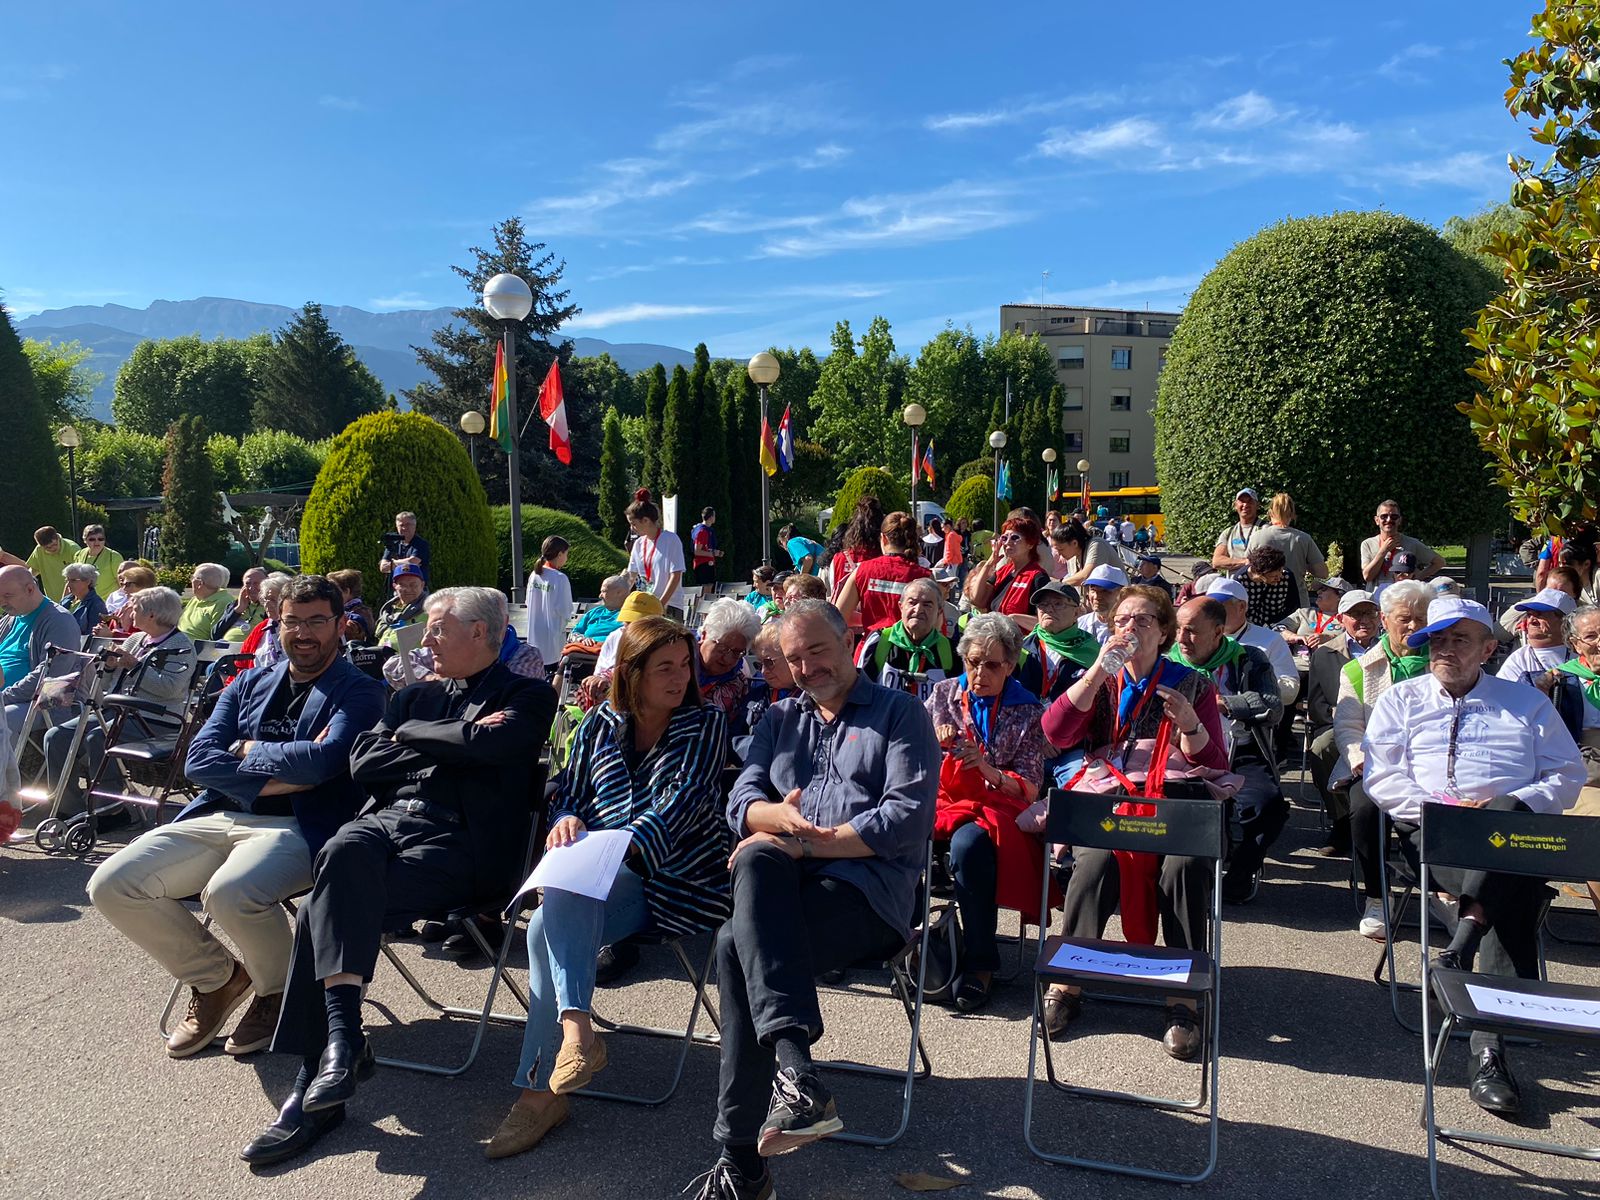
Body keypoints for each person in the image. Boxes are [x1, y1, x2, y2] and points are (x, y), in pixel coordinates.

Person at [245, 586, 557, 1167]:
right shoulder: (414, 695)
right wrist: (452, 744)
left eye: (438, 628)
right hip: (385, 830)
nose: (425, 639)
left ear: (480, 634)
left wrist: (410, 739)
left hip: (458, 848)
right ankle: (337, 1050)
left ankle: (320, 1080)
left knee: (320, 906)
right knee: (346, 847)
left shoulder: (528, 694)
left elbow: (496, 741)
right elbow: (364, 764)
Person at [684, 600, 936, 1200]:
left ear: (850, 639)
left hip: (868, 898)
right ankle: (796, 1076)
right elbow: (741, 793)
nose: (805, 667)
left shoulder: (900, 714)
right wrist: (769, 817)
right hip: (782, 890)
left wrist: (809, 847)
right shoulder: (780, 718)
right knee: (753, 871)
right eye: (792, 659)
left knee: (734, 943)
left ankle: (742, 1161)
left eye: (817, 651)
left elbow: (905, 818)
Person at [87, 576, 387, 1062]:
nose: (304, 632)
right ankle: (219, 980)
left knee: (231, 893)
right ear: (277, 623)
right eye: (293, 621)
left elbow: (324, 763)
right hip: (220, 814)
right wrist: (280, 768)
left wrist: (246, 751)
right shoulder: (250, 680)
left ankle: (277, 993)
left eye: (316, 621)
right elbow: (198, 761)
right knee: (112, 884)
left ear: (339, 624)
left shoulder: (362, 691)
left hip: (302, 826)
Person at [486, 616, 730, 1159]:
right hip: (596, 882)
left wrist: (610, 846)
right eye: (664, 667)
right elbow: (568, 793)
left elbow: (683, 802)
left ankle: (556, 1064)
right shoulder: (597, 725)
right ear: (632, 673)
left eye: (685, 665)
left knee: (559, 907)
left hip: (675, 879)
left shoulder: (704, 723)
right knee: (549, 920)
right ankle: (556, 1065)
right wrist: (567, 821)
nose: (680, 677)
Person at [1364, 595, 1583, 1120]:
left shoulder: (1527, 703)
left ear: (1488, 648)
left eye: (1458, 640)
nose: (1444, 649)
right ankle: (1489, 1049)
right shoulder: (1402, 699)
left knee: (1509, 818)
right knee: (1518, 889)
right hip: (1438, 836)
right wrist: (1440, 807)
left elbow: (1567, 775)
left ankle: (1464, 951)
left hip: (1513, 836)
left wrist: (1516, 805)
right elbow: (1381, 776)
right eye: (1436, 640)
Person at [1038, 585, 1234, 1054]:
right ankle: (1069, 982)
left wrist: (1190, 722)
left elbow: (1217, 761)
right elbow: (1052, 735)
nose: (1130, 628)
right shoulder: (1100, 679)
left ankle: (1181, 997)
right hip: (1111, 801)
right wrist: (1092, 675)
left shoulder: (1194, 684)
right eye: (1122, 620)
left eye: (1143, 620)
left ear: (1164, 632)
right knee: (1093, 862)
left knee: (1183, 867)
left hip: (1169, 802)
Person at [925, 613, 1047, 1012]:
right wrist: (933, 740)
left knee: (969, 844)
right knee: (895, 826)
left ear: (1010, 666)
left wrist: (987, 769)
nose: (979, 672)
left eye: (991, 664)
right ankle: (905, 949)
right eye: (972, 662)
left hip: (996, 805)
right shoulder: (943, 695)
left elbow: (1030, 785)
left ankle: (981, 962)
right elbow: (909, 756)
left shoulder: (1028, 710)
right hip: (945, 798)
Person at [1170, 597, 1289, 901]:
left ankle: (1239, 873)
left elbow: (1273, 707)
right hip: (1182, 754)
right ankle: (1185, 877)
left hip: (1239, 749)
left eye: (1192, 631)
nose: (1182, 639)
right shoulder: (1168, 662)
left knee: (1269, 805)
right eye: (1179, 629)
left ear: (1219, 632)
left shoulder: (1248, 658)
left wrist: (1224, 704)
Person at [44, 586, 196, 819]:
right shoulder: (136, 639)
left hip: (154, 719)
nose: (130, 613)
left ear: (152, 614)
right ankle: (68, 806)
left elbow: (170, 688)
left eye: (135, 609)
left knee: (99, 738)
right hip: (116, 711)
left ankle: (110, 811)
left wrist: (134, 666)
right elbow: (107, 684)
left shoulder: (181, 647)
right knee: (56, 736)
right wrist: (110, 666)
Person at [1338, 580, 1433, 938]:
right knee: (1364, 807)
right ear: (1384, 619)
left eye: (1421, 619)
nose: (1413, 627)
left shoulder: (1444, 662)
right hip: (1377, 765)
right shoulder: (1360, 669)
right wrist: (1358, 758)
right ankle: (1376, 895)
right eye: (1404, 618)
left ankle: (1449, 888)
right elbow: (1347, 726)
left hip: (1432, 768)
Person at [1304, 588, 1382, 854]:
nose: (1364, 620)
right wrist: (1341, 721)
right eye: (1355, 614)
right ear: (1340, 619)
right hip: (1341, 726)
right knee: (1322, 747)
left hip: (1386, 727)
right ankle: (1342, 821)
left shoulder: (1394, 650)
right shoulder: (1325, 653)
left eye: (1369, 613)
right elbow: (1316, 704)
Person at [0, 564, 84, 742]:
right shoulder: (11, 618)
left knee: (3, 718)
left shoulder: (59, 621)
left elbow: (48, 677)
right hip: (9, 698)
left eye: (7, 595)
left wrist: (4, 697)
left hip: (38, 704)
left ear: (30, 589)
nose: (1, 602)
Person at [1203, 576, 1300, 707]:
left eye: (1220, 607)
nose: (1213, 613)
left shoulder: (1270, 639)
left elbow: (1290, 691)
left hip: (1248, 720)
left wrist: (1257, 683)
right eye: (1209, 608)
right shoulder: (1199, 637)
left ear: (1242, 607)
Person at [854, 578, 955, 700]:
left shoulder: (951, 651)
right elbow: (859, 693)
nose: (918, 610)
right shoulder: (879, 642)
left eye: (927, 605)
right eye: (912, 603)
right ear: (901, 607)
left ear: (939, 612)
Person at [835, 511, 931, 633]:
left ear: (884, 539)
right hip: (911, 650)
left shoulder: (862, 571)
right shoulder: (924, 577)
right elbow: (936, 624)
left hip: (873, 647)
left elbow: (838, 618)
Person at [1015, 581, 1099, 705]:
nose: (1048, 609)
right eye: (1042, 604)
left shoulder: (1092, 651)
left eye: (1058, 604)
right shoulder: (1023, 647)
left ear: (1076, 612)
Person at [964, 514, 1050, 632]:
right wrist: (989, 563)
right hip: (996, 638)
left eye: (1015, 538)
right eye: (1004, 538)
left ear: (1030, 544)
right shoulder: (1002, 572)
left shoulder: (1038, 577)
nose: (1008, 542)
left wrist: (1014, 619)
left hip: (1021, 644)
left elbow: (1046, 621)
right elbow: (976, 599)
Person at [696, 598, 760, 718]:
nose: (728, 659)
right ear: (704, 635)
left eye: (737, 652)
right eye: (722, 648)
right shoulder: (677, 664)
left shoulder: (739, 683)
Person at [1252, 493, 1328, 594]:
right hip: (1297, 598)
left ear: (1270, 513)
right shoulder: (1303, 538)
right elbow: (1322, 573)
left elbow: (1249, 569)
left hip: (1265, 599)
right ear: (1292, 514)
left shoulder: (1257, 536)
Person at [1359, 499, 1445, 587]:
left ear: (1399, 520)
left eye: (1394, 517)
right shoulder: (1367, 544)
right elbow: (1367, 576)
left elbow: (1439, 562)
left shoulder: (1412, 543)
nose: (1389, 520)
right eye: (1384, 516)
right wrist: (1383, 550)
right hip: (1375, 598)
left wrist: (1416, 579)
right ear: (1377, 520)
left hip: (1402, 598)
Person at [1497, 588, 1577, 680]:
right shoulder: (1519, 660)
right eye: (1529, 615)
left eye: (1540, 614)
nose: (1531, 620)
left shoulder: (1584, 653)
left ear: (1565, 621)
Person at [626, 497, 685, 613]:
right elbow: (631, 576)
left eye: (633, 524)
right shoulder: (638, 544)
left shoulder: (671, 539)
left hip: (669, 605)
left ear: (646, 521)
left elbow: (675, 576)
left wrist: (660, 605)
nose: (632, 529)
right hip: (644, 605)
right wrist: (617, 593)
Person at [830, 497, 887, 615]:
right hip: (875, 622)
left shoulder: (839, 558)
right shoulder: (884, 559)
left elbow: (834, 588)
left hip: (847, 621)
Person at [525, 535, 575, 667]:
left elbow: (528, 603)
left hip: (534, 635)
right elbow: (565, 610)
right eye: (566, 554)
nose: (566, 558)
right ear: (560, 554)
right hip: (552, 639)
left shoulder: (534, 574)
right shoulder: (560, 578)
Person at [0, 525, 81, 601]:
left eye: (54, 544)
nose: (52, 549)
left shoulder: (73, 549)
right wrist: (21, 586)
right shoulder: (39, 550)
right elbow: (33, 570)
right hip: (53, 600)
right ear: (41, 546)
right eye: (47, 548)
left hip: (76, 598)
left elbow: (82, 576)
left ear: (57, 538)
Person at [1278, 577, 1349, 657]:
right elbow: (1276, 629)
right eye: (1319, 589)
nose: (1318, 592)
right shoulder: (1305, 613)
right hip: (1297, 666)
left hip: (1330, 667)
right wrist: (1293, 637)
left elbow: (1355, 641)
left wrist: (1329, 638)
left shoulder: (1349, 619)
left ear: (1340, 596)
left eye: (1324, 589)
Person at [240, 573, 295, 670]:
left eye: (274, 600)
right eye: (265, 599)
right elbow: (241, 664)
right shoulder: (262, 628)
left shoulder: (298, 628)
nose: (267, 604)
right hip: (258, 682)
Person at [1240, 545, 1298, 629]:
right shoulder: (1241, 580)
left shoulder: (1286, 576)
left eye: (1281, 572)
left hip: (1280, 625)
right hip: (1251, 627)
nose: (1279, 579)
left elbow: (1293, 606)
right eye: (1274, 576)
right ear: (1260, 573)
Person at [1055, 518, 1120, 588]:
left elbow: (1085, 576)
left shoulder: (1097, 545)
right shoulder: (1072, 556)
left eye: (1061, 549)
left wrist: (1058, 583)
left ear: (1074, 543)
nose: (1059, 553)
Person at [374, 563, 428, 648]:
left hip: (415, 660)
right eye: (402, 585)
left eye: (413, 585)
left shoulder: (430, 610)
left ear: (422, 585)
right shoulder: (388, 610)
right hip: (385, 658)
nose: (408, 589)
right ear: (394, 586)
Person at [1211, 488, 1263, 571]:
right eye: (1242, 501)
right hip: (1234, 583)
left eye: (1250, 501)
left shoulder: (1265, 529)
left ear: (1257, 505)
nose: (1245, 505)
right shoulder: (1229, 532)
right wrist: (1245, 562)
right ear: (1235, 505)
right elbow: (1216, 561)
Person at [179, 563, 233, 641]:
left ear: (199, 583)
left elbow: (215, 639)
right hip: (176, 644)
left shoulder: (223, 603)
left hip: (193, 650)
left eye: (192, 578)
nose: (191, 581)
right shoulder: (197, 598)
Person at [1076, 564, 1128, 644]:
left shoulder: (1131, 626)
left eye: (1105, 591)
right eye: (1093, 590)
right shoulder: (1080, 625)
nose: (1097, 596)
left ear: (1123, 593)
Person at [571, 575, 629, 644]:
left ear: (619, 593)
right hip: (585, 651)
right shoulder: (594, 613)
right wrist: (581, 639)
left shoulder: (630, 616)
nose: (600, 596)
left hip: (613, 652)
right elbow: (572, 634)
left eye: (604, 591)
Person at [215, 567, 269, 643]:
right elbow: (215, 634)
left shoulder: (271, 607)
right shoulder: (236, 604)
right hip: (225, 648)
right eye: (248, 583)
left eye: (256, 583)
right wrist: (238, 609)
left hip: (252, 649)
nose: (251, 587)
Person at [73, 524, 125, 599]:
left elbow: (123, 583)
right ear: (85, 540)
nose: (97, 542)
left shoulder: (113, 557)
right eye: (92, 539)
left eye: (100, 539)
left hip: (108, 604)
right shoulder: (78, 555)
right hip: (85, 602)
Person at [378, 510, 431, 583]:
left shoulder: (421, 544)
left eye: (408, 524)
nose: (404, 528)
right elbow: (383, 568)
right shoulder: (393, 543)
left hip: (417, 588)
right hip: (397, 588)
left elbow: (412, 562)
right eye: (401, 525)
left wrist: (393, 563)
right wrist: (404, 563)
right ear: (397, 527)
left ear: (414, 526)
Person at [326, 569, 374, 646]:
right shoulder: (338, 609)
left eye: (335, 590)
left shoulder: (361, 613)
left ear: (347, 591)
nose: (330, 595)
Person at [61, 562, 108, 636]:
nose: (68, 584)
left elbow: (92, 636)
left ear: (87, 581)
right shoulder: (65, 601)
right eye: (67, 580)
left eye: (73, 580)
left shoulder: (96, 605)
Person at [690, 507, 724, 588]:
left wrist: (716, 552)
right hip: (703, 564)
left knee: (709, 587)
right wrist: (712, 553)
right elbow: (697, 551)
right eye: (714, 515)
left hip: (707, 563)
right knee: (706, 588)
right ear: (711, 517)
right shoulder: (702, 531)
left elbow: (706, 547)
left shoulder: (707, 530)